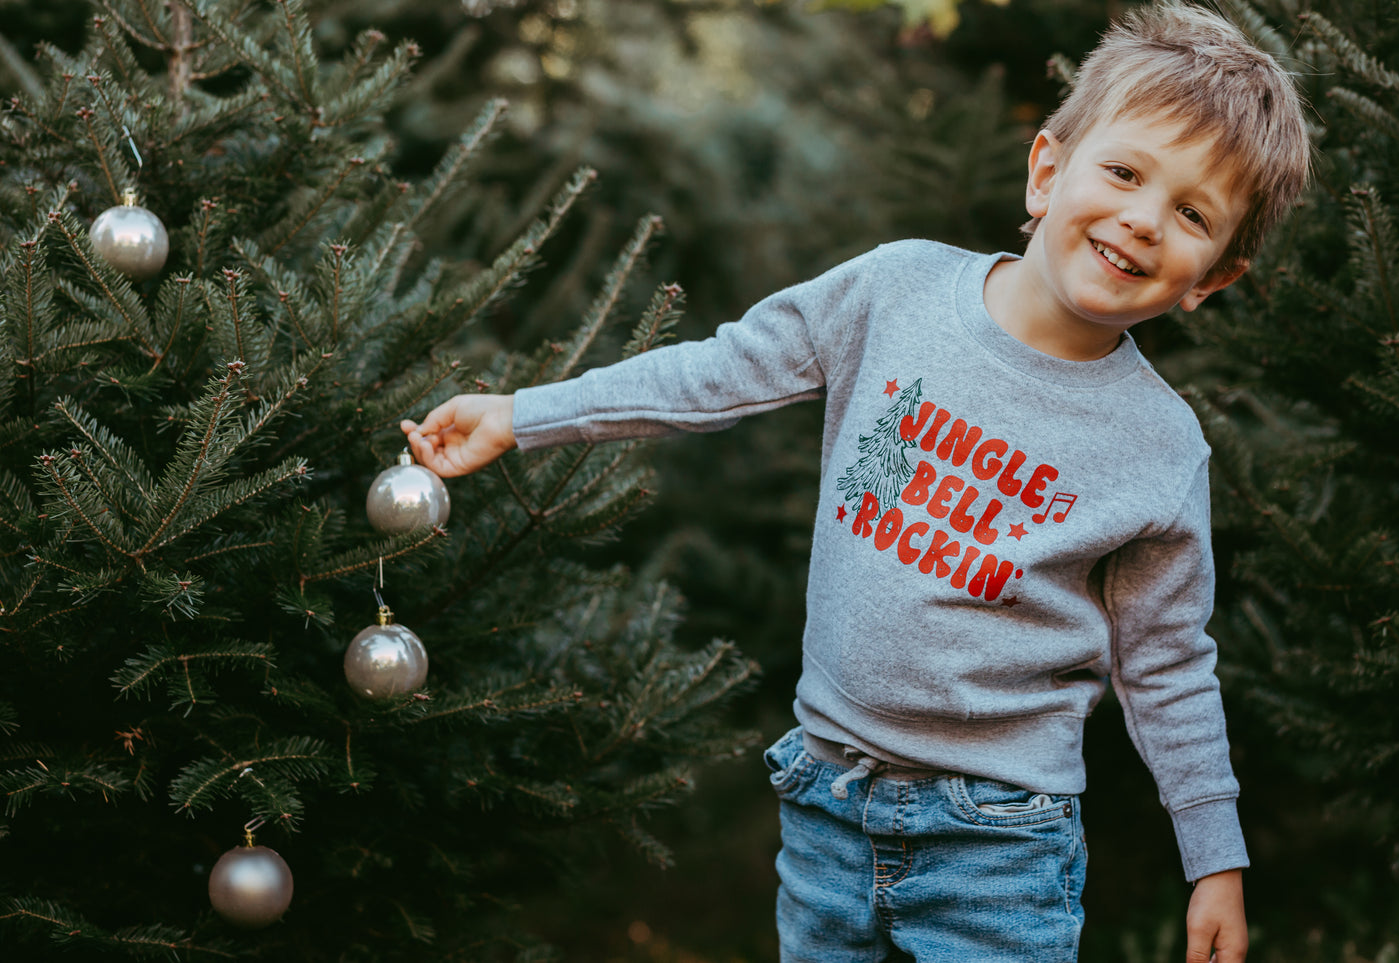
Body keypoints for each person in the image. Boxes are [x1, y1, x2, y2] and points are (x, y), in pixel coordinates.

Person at [401, 3, 1311, 959]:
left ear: (1212, 277)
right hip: (824, 799)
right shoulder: (892, 293)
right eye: (1124, 172)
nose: (1141, 218)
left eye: (1191, 212)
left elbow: (1166, 665)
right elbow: (717, 371)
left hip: (999, 842)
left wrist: (1215, 861)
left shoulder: (1159, 446)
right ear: (1047, 170)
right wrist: (522, 413)